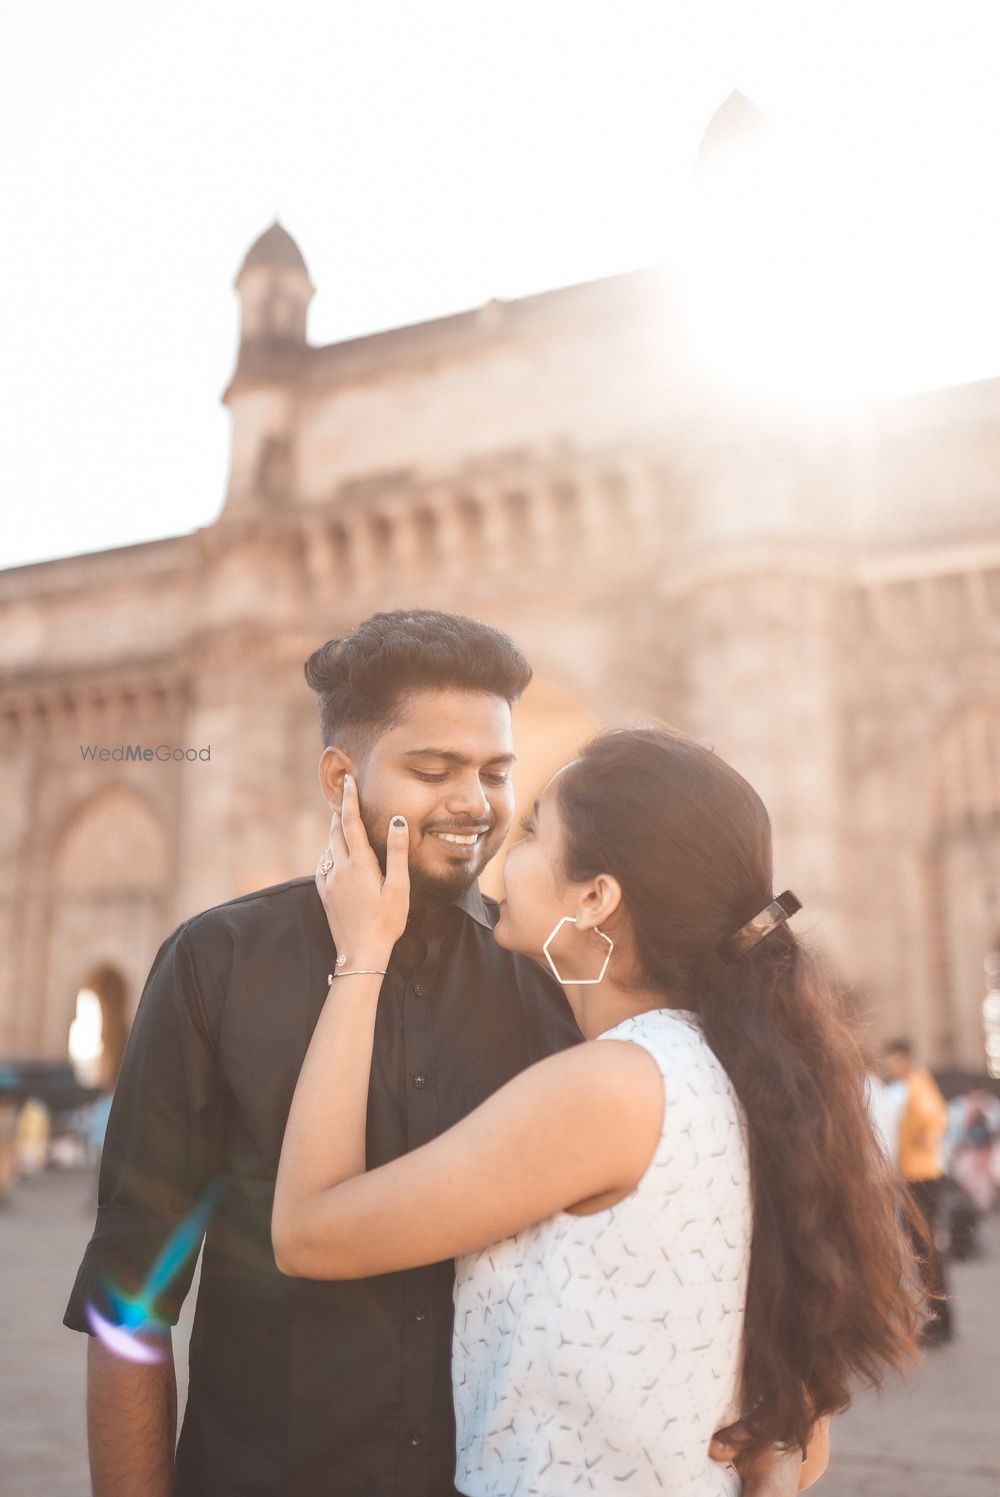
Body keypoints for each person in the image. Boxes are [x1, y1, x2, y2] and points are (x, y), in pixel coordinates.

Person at [63, 610, 799, 1497]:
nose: (477, 803)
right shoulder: (216, 968)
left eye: (496, 772)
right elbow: (130, 1299)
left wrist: (783, 1394)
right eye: (432, 769)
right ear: (341, 776)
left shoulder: (554, 989)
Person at [273, 726, 924, 1494]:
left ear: (594, 898)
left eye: (533, 832)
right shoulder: (741, 1074)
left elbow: (310, 1230)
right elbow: (795, 1443)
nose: (497, 852)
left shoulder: (614, 1087)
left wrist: (361, 952)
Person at [881, 1038, 954, 1345]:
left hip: (921, 1179)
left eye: (891, 1058)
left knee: (926, 1251)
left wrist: (924, 1139)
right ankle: (938, 1319)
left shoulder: (916, 1085)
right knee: (924, 1251)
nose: (888, 1064)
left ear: (904, 1057)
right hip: (918, 1177)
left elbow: (933, 1120)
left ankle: (940, 1322)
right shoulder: (913, 1084)